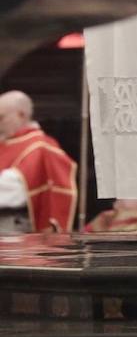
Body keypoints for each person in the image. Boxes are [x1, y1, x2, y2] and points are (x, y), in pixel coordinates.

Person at [0, 90, 77, 233]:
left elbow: (12, 189)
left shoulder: (39, 146)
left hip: (11, 224)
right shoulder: (5, 145)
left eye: (1, 118)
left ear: (21, 115)